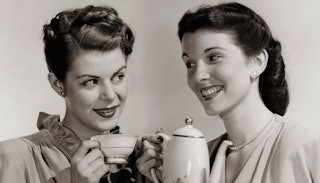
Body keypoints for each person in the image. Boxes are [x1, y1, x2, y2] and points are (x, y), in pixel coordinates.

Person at [136, 2, 320, 183]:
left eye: (213, 57)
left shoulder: (307, 149)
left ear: (257, 62)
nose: (198, 75)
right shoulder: (203, 157)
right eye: (190, 64)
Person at [0, 5, 141, 183]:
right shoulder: (13, 159)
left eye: (118, 76)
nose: (110, 95)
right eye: (90, 82)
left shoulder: (140, 162)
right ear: (58, 84)